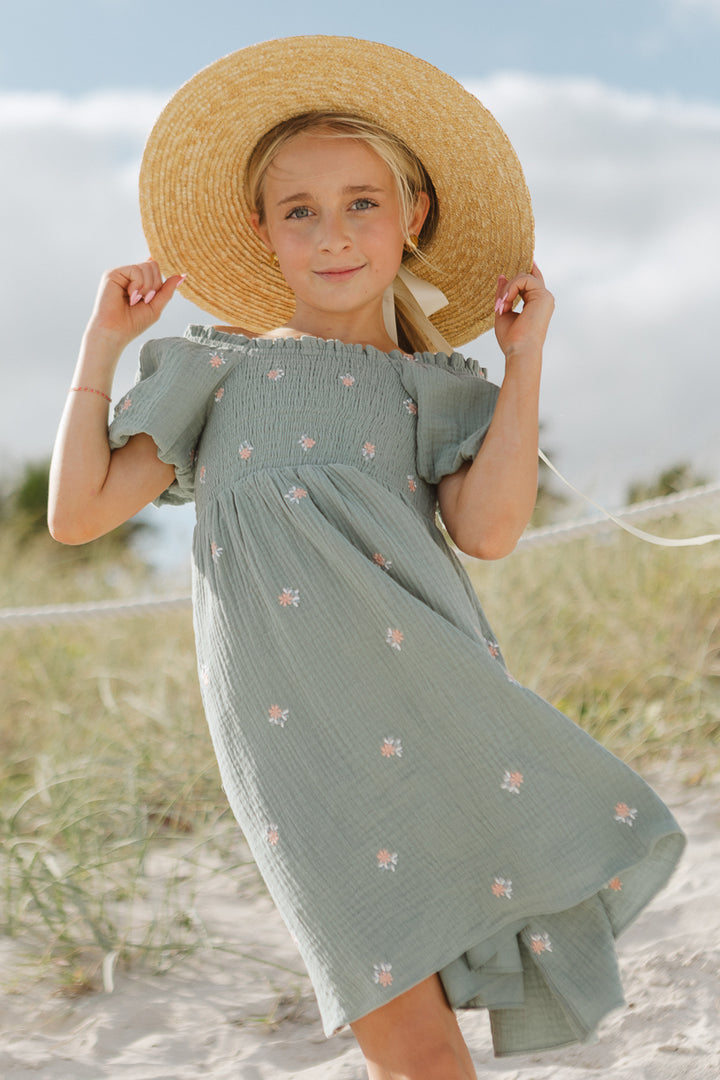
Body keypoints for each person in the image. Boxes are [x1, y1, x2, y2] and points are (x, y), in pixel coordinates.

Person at [48, 36, 685, 1080]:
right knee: (412, 1046)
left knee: (426, 1056)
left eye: (361, 204)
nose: (332, 235)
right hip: (293, 743)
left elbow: (488, 531)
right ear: (263, 230)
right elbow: (78, 514)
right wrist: (99, 348)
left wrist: (522, 363)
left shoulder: (437, 391)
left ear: (412, 215)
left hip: (432, 709)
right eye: (299, 210)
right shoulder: (213, 368)